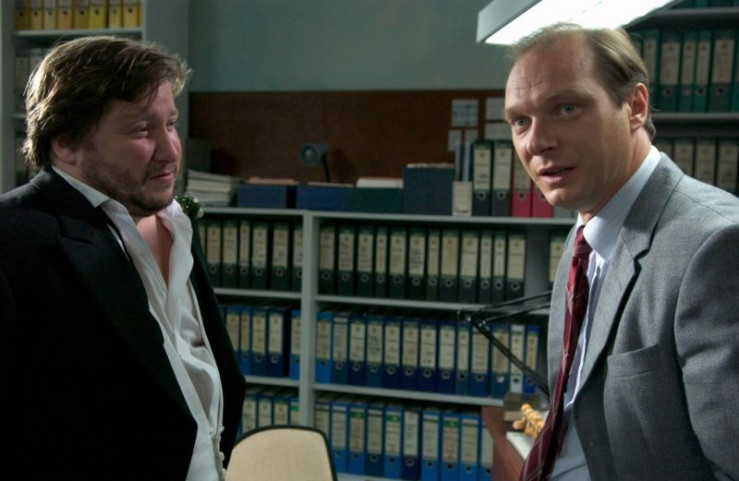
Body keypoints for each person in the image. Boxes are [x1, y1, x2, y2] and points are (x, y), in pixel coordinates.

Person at [0, 36, 246, 480]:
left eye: (170, 124)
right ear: (67, 142)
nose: (171, 150)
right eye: (141, 131)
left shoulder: (174, 222)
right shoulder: (14, 239)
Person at [504, 23, 739, 480]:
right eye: (520, 121)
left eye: (566, 108)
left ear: (634, 106)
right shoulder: (585, 231)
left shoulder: (715, 247)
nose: (536, 142)